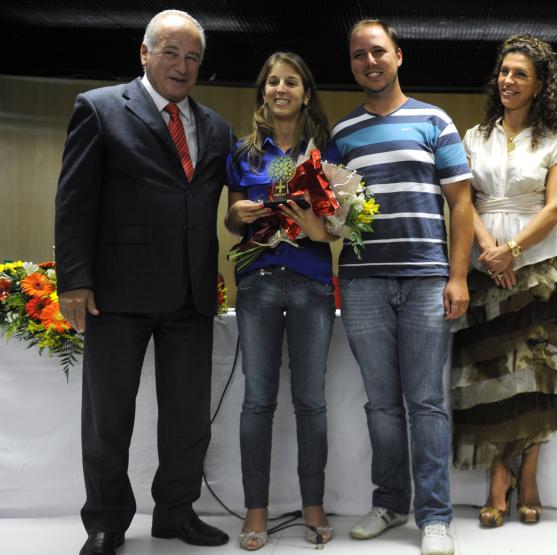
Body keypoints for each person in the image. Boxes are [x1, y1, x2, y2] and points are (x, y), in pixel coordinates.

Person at [54, 9, 234, 555]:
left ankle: (175, 514)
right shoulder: (100, 108)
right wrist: (74, 280)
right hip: (116, 293)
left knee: (188, 419)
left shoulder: (217, 127)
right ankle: (106, 521)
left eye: (193, 57)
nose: (182, 66)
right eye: (171, 53)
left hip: (191, 294)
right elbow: (74, 199)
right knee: (108, 417)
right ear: (144, 53)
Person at [329, 19, 473, 555]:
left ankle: (434, 516)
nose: (369, 62)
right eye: (359, 55)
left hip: (426, 280)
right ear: (352, 64)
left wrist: (458, 276)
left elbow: (461, 204)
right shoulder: (343, 134)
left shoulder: (435, 121)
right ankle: (390, 503)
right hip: (362, 282)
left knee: (426, 402)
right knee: (382, 405)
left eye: (378, 51)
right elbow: (335, 215)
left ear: (398, 55)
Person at [450, 34, 557, 528]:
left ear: (540, 85)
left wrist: (514, 251)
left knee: (537, 374)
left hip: (537, 267)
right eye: (504, 72)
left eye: (520, 74)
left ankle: (530, 478)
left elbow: (555, 208)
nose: (508, 80)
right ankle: (499, 477)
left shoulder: (555, 141)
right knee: (492, 377)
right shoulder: (473, 137)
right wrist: (489, 251)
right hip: (483, 267)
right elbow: (463, 201)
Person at [224, 52, 340, 550]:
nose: (280, 89)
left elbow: (340, 225)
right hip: (258, 284)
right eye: (273, 81)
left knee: (311, 402)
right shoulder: (243, 152)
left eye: (291, 82)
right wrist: (240, 214)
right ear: (263, 92)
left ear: (306, 94)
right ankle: (256, 508)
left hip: (312, 283)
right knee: (258, 401)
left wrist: (318, 227)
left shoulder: (327, 151)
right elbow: (231, 220)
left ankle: (313, 503)